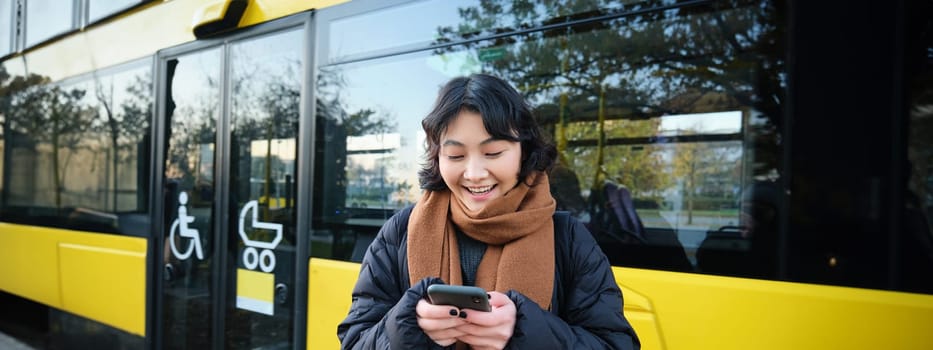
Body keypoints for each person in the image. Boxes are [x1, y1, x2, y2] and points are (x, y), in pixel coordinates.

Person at [337, 73, 640, 349]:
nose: (474, 173)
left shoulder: (568, 238)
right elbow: (354, 341)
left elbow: (616, 343)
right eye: (455, 155)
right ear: (437, 157)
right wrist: (407, 327)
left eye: (493, 153)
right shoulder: (400, 232)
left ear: (524, 151)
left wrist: (524, 331)